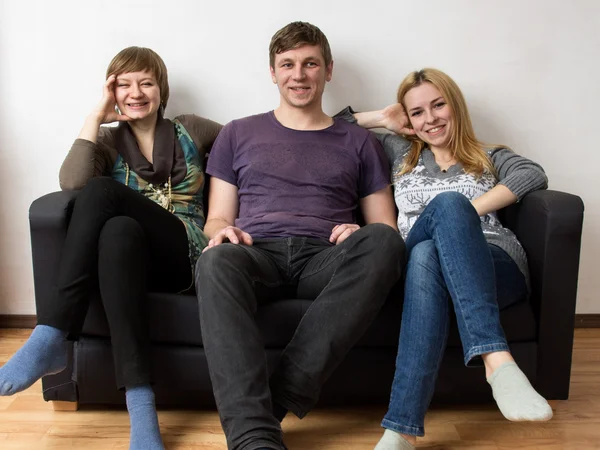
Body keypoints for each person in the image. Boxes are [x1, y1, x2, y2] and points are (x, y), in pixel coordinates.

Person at [195, 22, 405, 450]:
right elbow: (215, 219)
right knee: (213, 259)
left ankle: (280, 394)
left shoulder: (360, 141)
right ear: (272, 73)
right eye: (287, 64)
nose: (298, 74)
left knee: (385, 243)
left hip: (324, 255)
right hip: (257, 252)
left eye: (310, 63)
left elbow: (385, 227)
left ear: (328, 71)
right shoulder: (237, 133)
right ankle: (255, 439)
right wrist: (225, 230)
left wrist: (361, 232)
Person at [0, 46, 222, 450]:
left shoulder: (193, 128)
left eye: (146, 83)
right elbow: (71, 182)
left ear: (161, 89)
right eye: (123, 85)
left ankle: (52, 333)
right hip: (129, 262)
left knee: (106, 192)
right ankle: (142, 412)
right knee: (118, 229)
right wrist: (94, 117)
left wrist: (357, 120)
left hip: (184, 252)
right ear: (112, 92)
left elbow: (257, 139)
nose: (136, 92)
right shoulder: (105, 141)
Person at [336, 68, 552, 450]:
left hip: (491, 261)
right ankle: (497, 363)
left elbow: (532, 174)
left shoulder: (489, 155)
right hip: (413, 266)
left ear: (456, 106)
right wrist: (383, 118)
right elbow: (334, 127)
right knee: (428, 240)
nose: (430, 118)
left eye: (439, 105)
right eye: (417, 112)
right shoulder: (398, 152)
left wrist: (462, 215)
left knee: (431, 245)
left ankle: (400, 430)